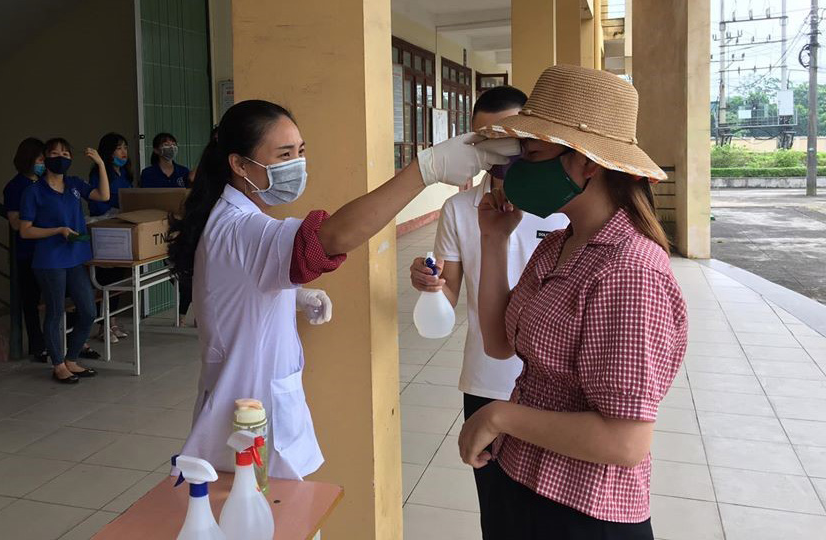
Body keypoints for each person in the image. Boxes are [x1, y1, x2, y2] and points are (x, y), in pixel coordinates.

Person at [168, 99, 518, 479]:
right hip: (248, 416)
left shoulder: (233, 217)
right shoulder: (240, 228)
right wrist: (424, 170)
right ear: (239, 164)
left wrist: (292, 296)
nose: (297, 164)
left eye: (301, 152)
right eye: (284, 154)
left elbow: (232, 291)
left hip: (243, 406)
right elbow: (331, 238)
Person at [457, 65, 688, 539]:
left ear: (588, 163)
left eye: (534, 153)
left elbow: (624, 441)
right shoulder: (559, 242)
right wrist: (493, 242)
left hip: (582, 510)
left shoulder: (629, 271)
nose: (518, 168)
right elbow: (500, 343)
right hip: (523, 479)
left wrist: (499, 414)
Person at [408, 85, 569, 538]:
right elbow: (450, 293)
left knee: (552, 514)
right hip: (487, 381)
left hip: (551, 385)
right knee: (500, 515)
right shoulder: (459, 209)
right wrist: (430, 283)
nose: (499, 154)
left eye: (510, 139)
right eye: (486, 141)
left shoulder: (564, 207)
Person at [19, 137, 110, 384]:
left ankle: (71, 359)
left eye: (66, 154)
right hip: (49, 260)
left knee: (88, 311)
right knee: (55, 312)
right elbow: (25, 230)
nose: (61, 158)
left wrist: (100, 164)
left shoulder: (74, 184)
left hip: (75, 257)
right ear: (45, 157)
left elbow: (103, 195)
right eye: (55, 153)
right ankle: (58, 364)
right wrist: (57, 230)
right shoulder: (34, 191)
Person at [140, 132, 195, 326]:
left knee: (188, 271)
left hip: (181, 227)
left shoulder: (182, 172)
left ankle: (182, 314)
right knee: (175, 272)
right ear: (156, 149)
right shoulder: (148, 174)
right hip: (157, 228)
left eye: (173, 143)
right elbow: (146, 200)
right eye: (165, 144)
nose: (170, 147)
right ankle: (184, 310)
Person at [3, 137, 47, 363]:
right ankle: (37, 345)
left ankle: (52, 341)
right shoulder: (15, 187)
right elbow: (14, 222)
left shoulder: (43, 182)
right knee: (30, 301)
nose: (43, 162)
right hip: (27, 252)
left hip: (48, 250)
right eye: (40, 158)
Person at [88, 132, 133, 343]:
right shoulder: (99, 173)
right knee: (104, 281)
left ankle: (112, 321)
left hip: (123, 230)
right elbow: (98, 205)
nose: (123, 152)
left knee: (118, 280)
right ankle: (102, 324)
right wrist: (116, 203)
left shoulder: (125, 174)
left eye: (125, 147)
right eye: (118, 148)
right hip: (106, 231)